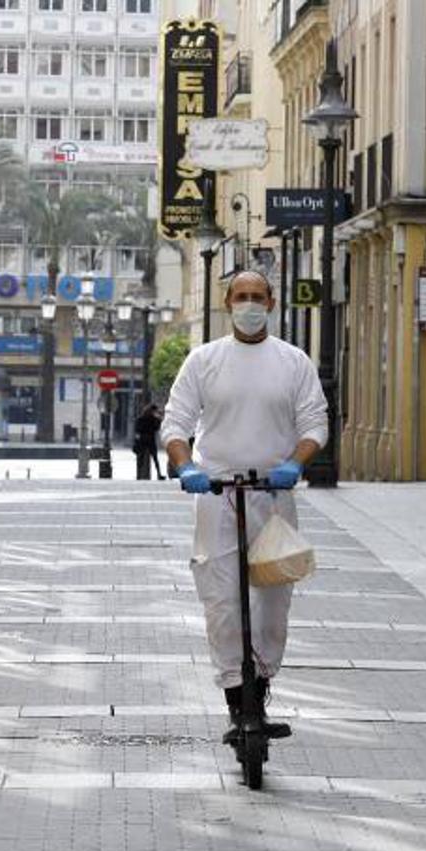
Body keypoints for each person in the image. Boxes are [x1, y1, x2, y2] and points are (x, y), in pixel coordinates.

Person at [160, 270, 328, 745]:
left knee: (273, 601)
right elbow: (176, 422)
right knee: (222, 600)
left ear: (271, 302)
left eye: (257, 296)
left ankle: (262, 686)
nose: (249, 304)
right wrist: (185, 466)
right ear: (227, 302)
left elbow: (315, 423)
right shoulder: (203, 360)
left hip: (272, 499)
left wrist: (295, 464)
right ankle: (237, 701)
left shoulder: (293, 362)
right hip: (216, 496)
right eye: (241, 297)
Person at [133, 404, 165, 480]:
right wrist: (159, 419)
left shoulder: (141, 419)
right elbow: (157, 428)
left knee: (141, 458)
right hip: (149, 440)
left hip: (143, 440)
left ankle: (139, 474)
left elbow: (137, 431)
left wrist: (136, 441)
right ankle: (158, 474)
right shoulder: (153, 419)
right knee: (154, 458)